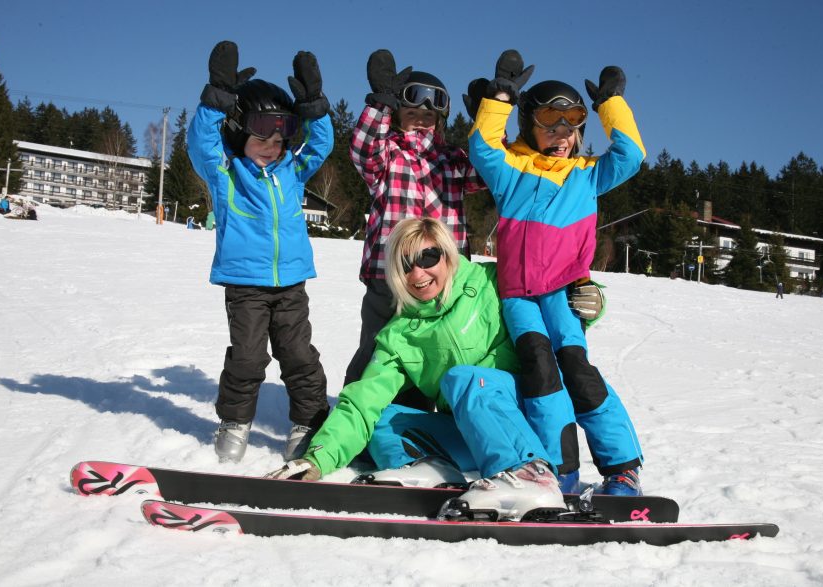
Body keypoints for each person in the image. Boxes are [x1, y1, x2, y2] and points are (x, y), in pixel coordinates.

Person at [267, 217, 573, 521]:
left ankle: (529, 473)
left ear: (447, 253)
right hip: (473, 433)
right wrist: (317, 459)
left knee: (464, 379)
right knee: (383, 417)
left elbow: (551, 287)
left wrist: (586, 297)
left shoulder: (489, 281)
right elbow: (362, 402)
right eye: (405, 264)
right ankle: (426, 467)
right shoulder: (399, 335)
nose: (418, 273)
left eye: (428, 257)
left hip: (527, 419)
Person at [464, 51, 645, 495]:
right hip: (519, 296)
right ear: (529, 125)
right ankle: (559, 470)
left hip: (564, 294)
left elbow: (631, 155)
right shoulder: (511, 170)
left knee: (577, 372)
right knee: (540, 374)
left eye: (572, 125)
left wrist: (610, 107)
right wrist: (501, 96)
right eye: (551, 122)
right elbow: (483, 145)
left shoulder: (588, 175)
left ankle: (622, 468)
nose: (563, 134)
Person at [187, 41, 333, 464]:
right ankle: (235, 421)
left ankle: (309, 421)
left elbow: (320, 146)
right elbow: (201, 144)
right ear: (238, 132)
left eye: (282, 134)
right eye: (262, 135)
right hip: (246, 286)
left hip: (291, 283)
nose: (273, 145)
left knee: (299, 356)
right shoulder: (225, 174)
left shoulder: (292, 170)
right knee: (248, 359)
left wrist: (313, 107)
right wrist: (216, 99)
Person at [342, 49, 487, 410]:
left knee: (431, 354)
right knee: (376, 351)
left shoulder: (454, 162)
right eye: (411, 113)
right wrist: (380, 103)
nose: (421, 120)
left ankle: (425, 424)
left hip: (441, 280)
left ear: (440, 120)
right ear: (396, 117)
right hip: (388, 277)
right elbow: (362, 149)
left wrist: (488, 122)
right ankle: (362, 418)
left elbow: (492, 173)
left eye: (429, 114)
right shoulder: (387, 155)